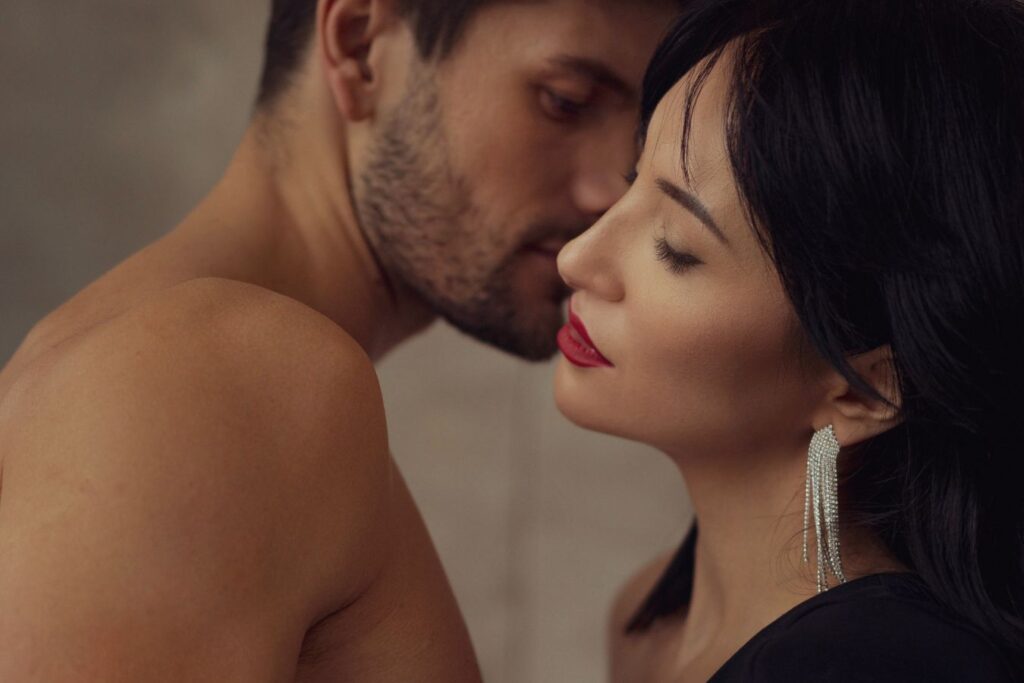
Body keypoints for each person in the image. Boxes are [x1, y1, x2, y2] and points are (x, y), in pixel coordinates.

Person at [0, 0, 683, 680]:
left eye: (640, 139)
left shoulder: (160, 365)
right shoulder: (209, 384)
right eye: (566, 101)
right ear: (359, 48)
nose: (612, 192)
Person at [553, 0, 1024, 680]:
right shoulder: (650, 614)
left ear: (862, 388)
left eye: (676, 246)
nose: (577, 258)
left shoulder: (880, 665)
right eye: (634, 181)